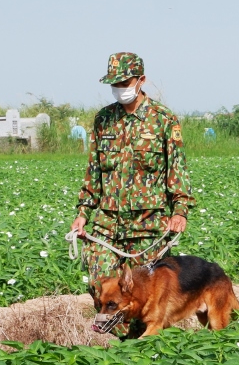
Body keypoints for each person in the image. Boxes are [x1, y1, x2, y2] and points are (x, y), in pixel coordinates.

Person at [71, 51, 194, 335]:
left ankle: (140, 350)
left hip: (147, 226)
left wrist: (180, 211)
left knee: (143, 296)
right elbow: (94, 172)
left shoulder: (163, 120)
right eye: (115, 83)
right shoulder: (103, 120)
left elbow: (177, 168)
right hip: (107, 224)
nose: (120, 88)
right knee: (99, 285)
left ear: (141, 80)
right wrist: (82, 214)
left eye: (125, 82)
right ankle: (119, 338)